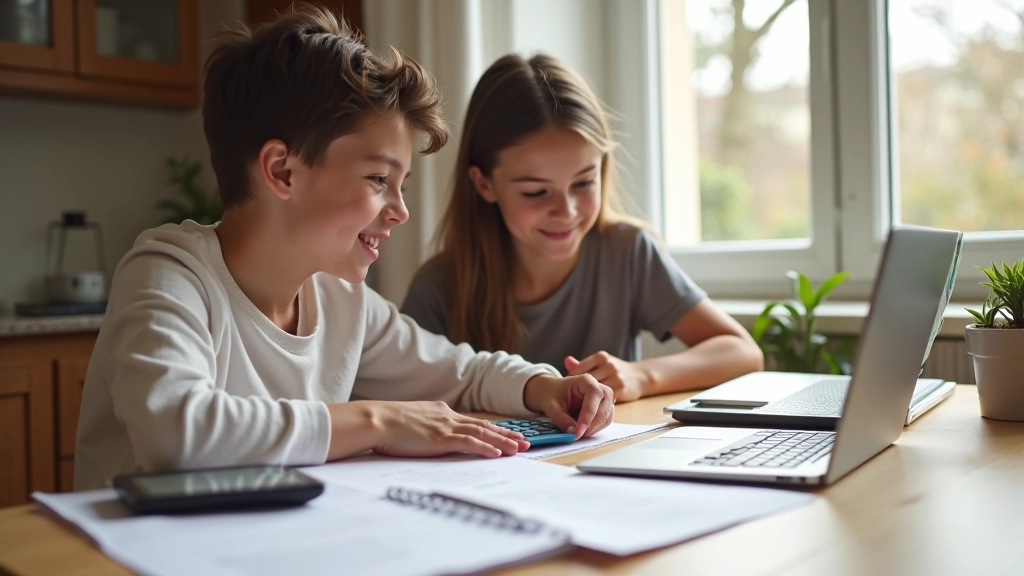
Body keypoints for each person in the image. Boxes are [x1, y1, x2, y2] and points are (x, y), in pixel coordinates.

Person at [74, 8, 613, 492]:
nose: (399, 210)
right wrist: (380, 421)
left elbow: (461, 372)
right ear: (282, 170)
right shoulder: (169, 276)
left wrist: (542, 386)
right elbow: (176, 433)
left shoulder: (337, 296)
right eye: (379, 178)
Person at [401, 53, 763, 403]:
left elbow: (742, 352)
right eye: (536, 192)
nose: (567, 211)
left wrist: (641, 375)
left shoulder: (626, 252)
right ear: (484, 185)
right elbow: (404, 402)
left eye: (584, 183)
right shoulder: (439, 288)